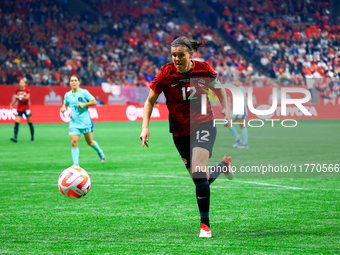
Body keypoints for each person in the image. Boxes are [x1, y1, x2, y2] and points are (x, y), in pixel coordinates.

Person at [140, 36, 233, 238]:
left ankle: (205, 225)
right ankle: (223, 166)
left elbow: (219, 89)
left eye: (180, 55)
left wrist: (226, 108)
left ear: (191, 54)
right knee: (199, 179)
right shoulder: (165, 73)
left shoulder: (204, 69)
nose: (176, 59)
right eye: (173, 55)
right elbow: (149, 102)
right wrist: (145, 127)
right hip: (179, 131)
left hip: (204, 124)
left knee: (199, 173)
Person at [60, 75, 105, 167]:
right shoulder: (67, 95)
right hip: (74, 123)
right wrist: (63, 108)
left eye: (75, 80)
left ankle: (100, 152)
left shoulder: (84, 93)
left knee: (90, 142)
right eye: (72, 80)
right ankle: (76, 164)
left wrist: (84, 104)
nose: (73, 82)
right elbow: (65, 104)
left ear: (79, 82)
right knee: (74, 142)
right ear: (70, 83)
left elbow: (94, 101)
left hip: (85, 122)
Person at [9, 78, 34, 143]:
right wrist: (11, 104)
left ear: (25, 84)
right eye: (20, 82)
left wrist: (19, 96)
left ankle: (32, 138)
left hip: (26, 109)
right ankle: (15, 137)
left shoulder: (27, 90)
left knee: (30, 123)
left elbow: (27, 97)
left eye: (22, 82)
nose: (21, 83)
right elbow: (15, 99)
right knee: (16, 123)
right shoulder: (17, 91)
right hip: (19, 109)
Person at [228, 77, 249, 148]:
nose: (235, 82)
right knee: (228, 124)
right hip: (235, 109)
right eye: (233, 81)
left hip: (240, 109)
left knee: (242, 126)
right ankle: (238, 139)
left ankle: (245, 143)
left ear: (239, 81)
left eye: (236, 81)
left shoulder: (241, 88)